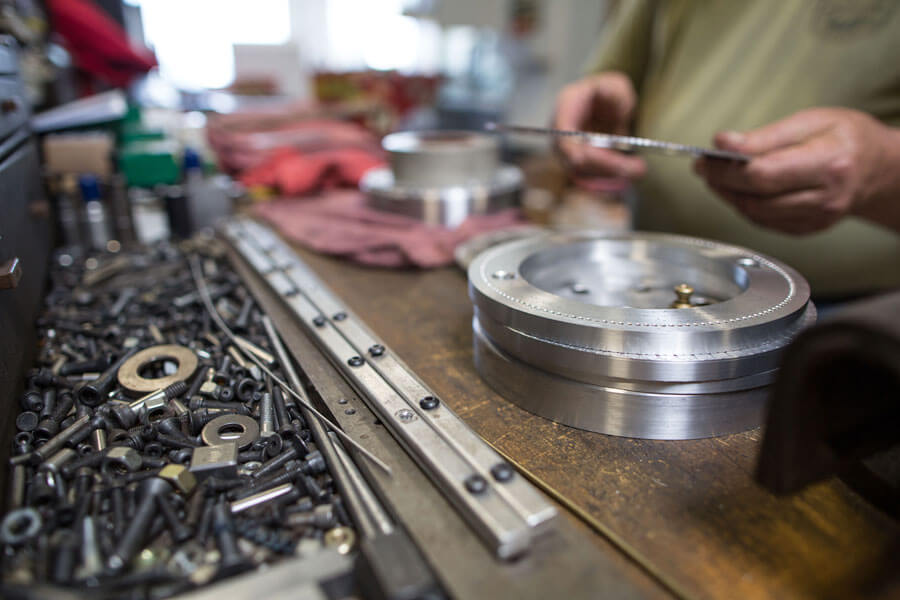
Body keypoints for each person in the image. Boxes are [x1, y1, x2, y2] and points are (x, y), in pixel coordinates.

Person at [553, 1, 900, 298]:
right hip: (653, 284)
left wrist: (882, 170)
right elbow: (623, 69)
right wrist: (604, 97)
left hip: (855, 314)